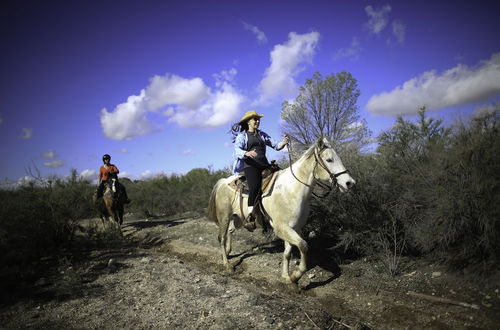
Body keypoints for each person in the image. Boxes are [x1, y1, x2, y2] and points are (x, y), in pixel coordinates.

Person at [231, 110, 289, 231]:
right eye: (255, 119)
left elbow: (276, 146)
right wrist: (247, 152)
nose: (257, 121)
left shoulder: (262, 134)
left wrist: (284, 142)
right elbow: (237, 150)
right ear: (248, 122)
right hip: (251, 167)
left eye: (258, 119)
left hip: (264, 165)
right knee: (255, 187)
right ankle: (250, 217)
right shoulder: (242, 137)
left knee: (282, 178)